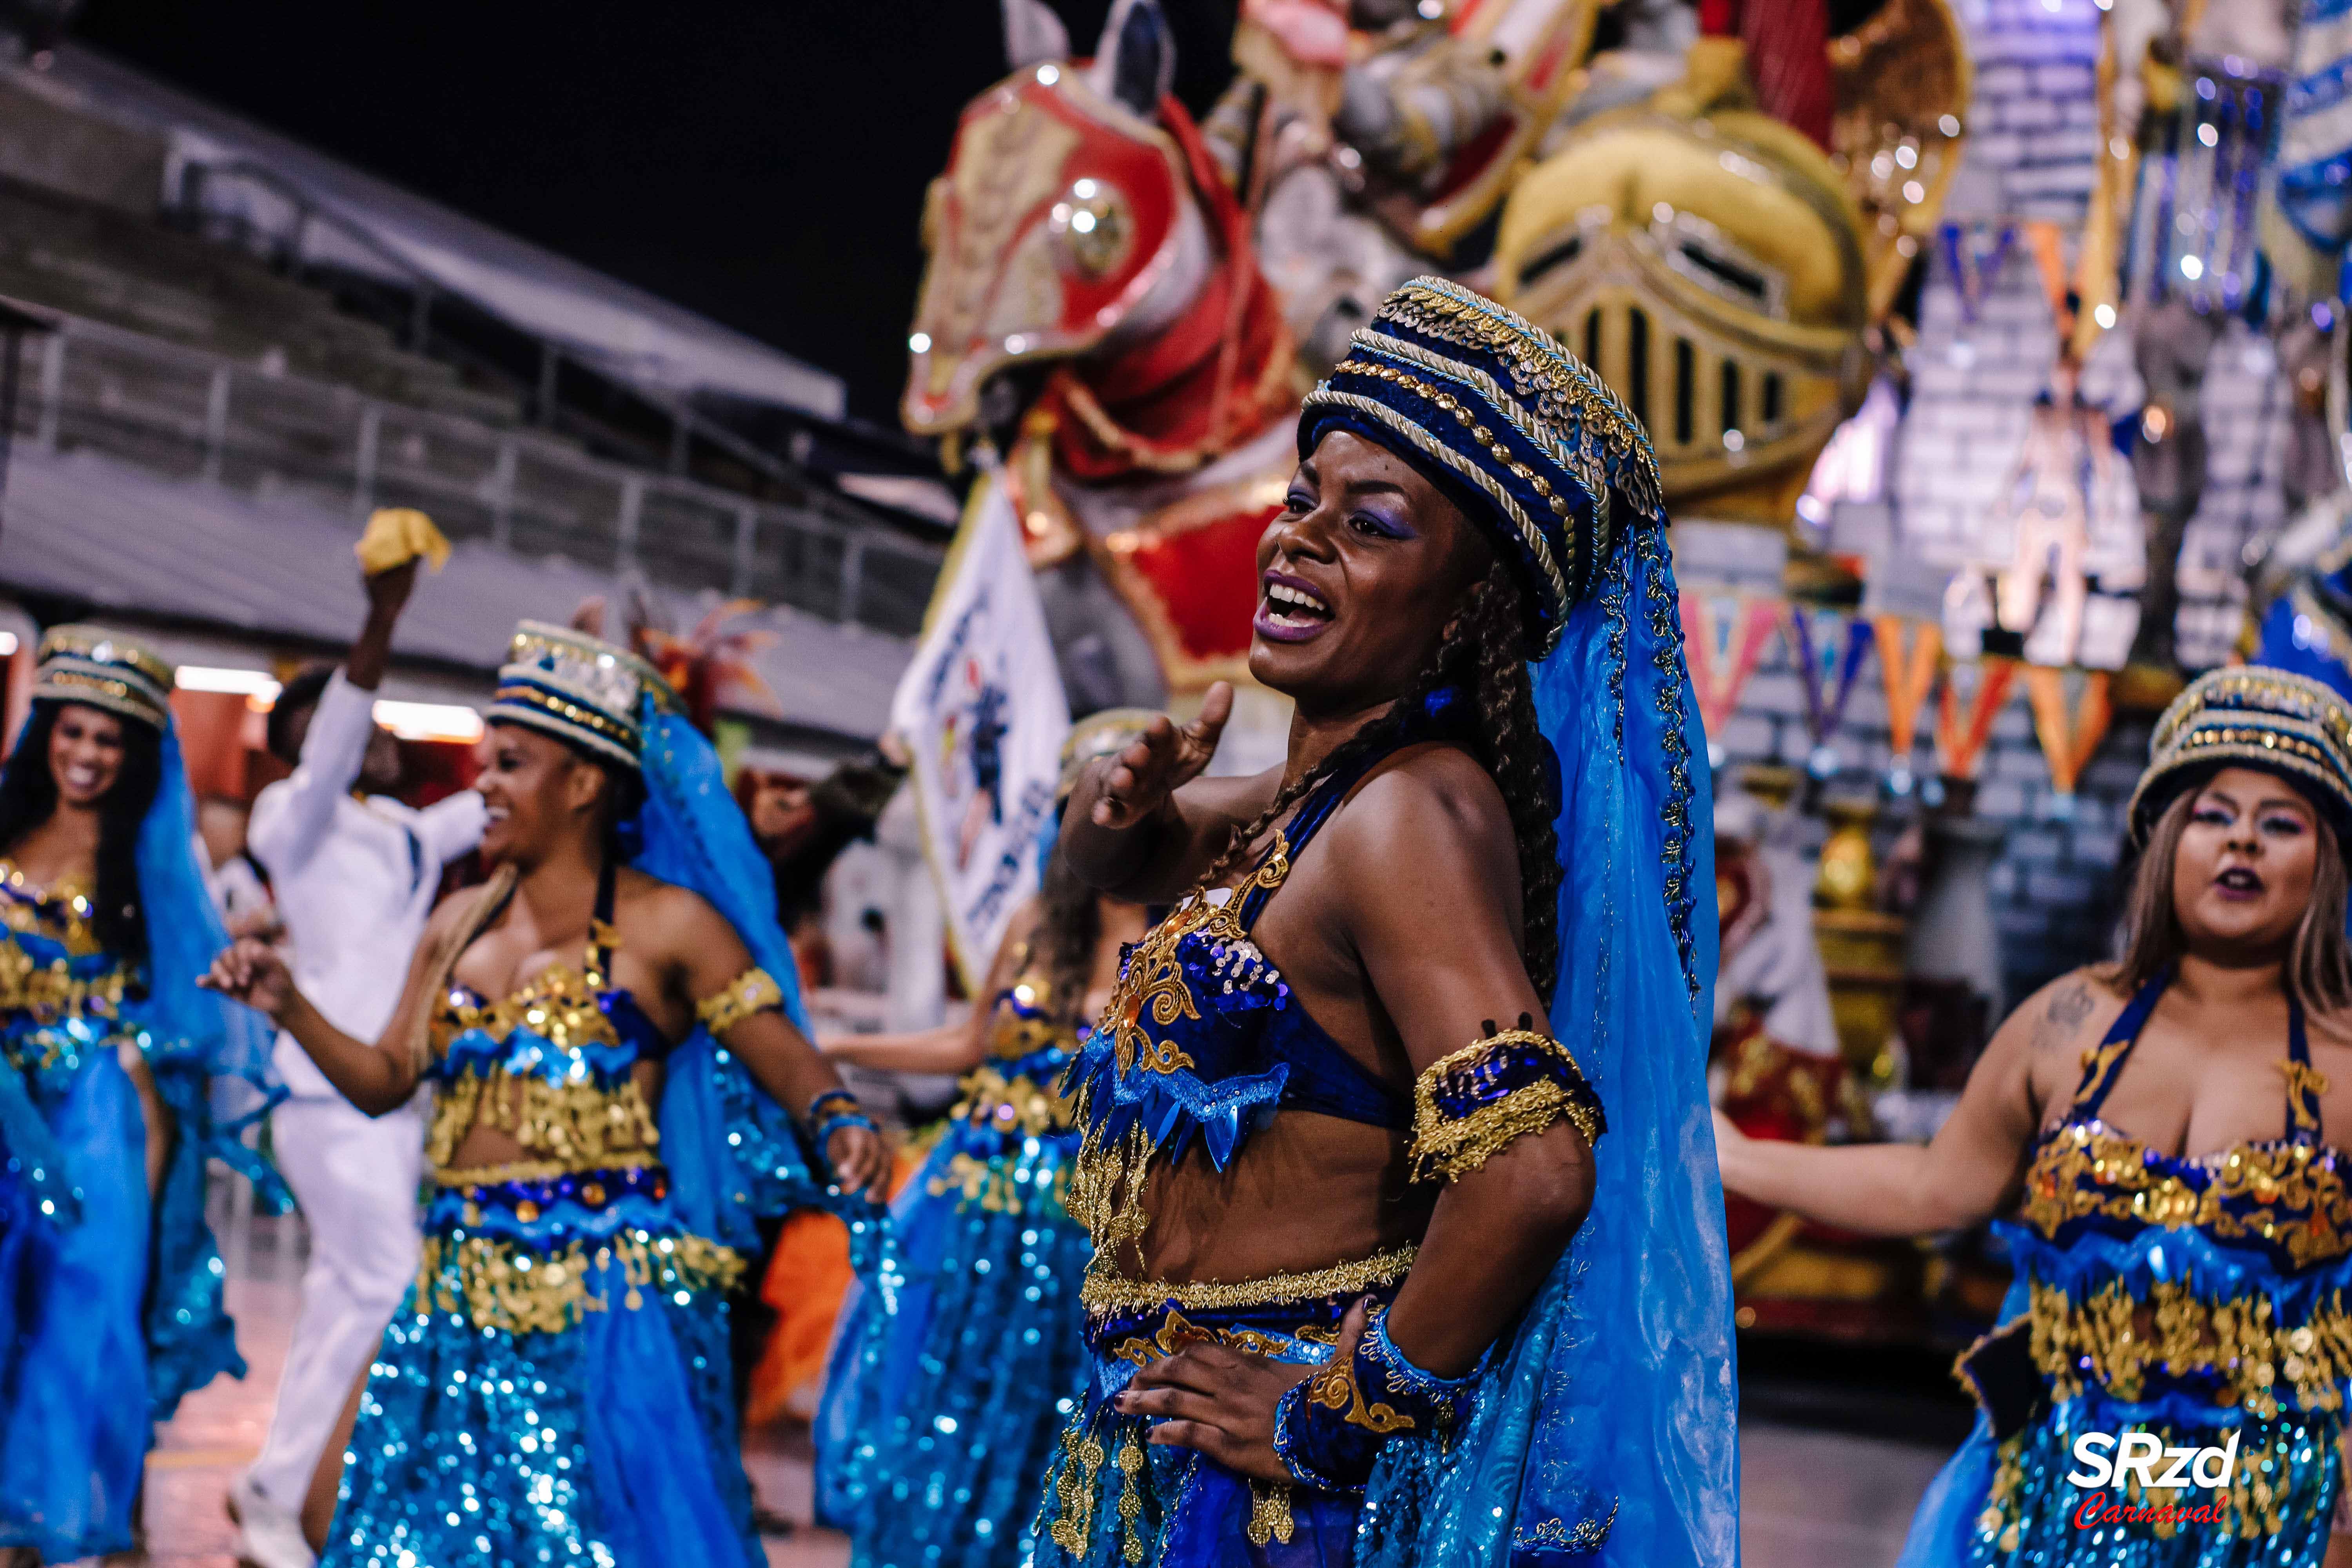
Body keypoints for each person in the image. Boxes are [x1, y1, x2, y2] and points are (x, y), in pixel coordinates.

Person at [1036, 277, 1733, 1565]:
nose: (1300, 538)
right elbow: (1116, 867)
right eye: (1302, 500)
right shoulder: (1314, 798)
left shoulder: (1405, 815)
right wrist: (1116, 802)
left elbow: (1530, 1170)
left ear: (1470, 610)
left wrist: (1334, 1417)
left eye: (1370, 525)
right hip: (1166, 1443)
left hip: (1263, 1501)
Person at [202, 620, 890, 1567]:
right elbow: (387, 1080)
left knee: (591, 1545)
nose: (482, 783)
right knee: (342, 1520)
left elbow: (793, 1065)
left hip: (608, 1298)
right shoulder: (458, 920)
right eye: (489, 762)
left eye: (511, 764)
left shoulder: (669, 926)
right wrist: (290, 1006)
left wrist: (840, 1119)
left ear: (584, 783)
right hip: (456, 1281)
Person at [1715, 666, 2352, 1567]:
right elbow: (1937, 1185)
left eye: (2281, 822)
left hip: (2261, 1521)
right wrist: (1739, 1158)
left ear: (2327, 863)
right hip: (2056, 1503)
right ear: (2166, 842)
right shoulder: (2068, 1023)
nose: (2241, 840)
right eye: (2213, 814)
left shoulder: (2345, 1057)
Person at [815, 708, 1158, 1568]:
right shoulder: (1033, 923)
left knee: (1042, 1410)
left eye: (1127, 807)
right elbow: (969, 1044)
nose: (1108, 825)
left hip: (1079, 1224)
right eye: (1094, 807)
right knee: (943, 1393)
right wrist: (833, 1047)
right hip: (972, 1200)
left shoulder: (1173, 942)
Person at [229, 557, 489, 1568]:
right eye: (350, 726)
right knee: (387, 1277)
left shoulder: (408, 836)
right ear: (306, 748)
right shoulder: (291, 819)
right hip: (327, 1094)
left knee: (353, 1287)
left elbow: (520, 798)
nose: (376, 735)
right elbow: (337, 739)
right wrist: (381, 621)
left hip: (389, 1092)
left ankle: (277, 1485)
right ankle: (289, 1491)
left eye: (380, 726)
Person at [0, 627, 279, 1562]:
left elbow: (179, 1031)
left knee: (83, 1313)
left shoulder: (152, 870)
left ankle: (52, 1519)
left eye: (108, 738)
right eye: (72, 731)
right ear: (45, 731)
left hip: (96, 1113)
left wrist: (152, 1165)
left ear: (137, 754)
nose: (85, 754)